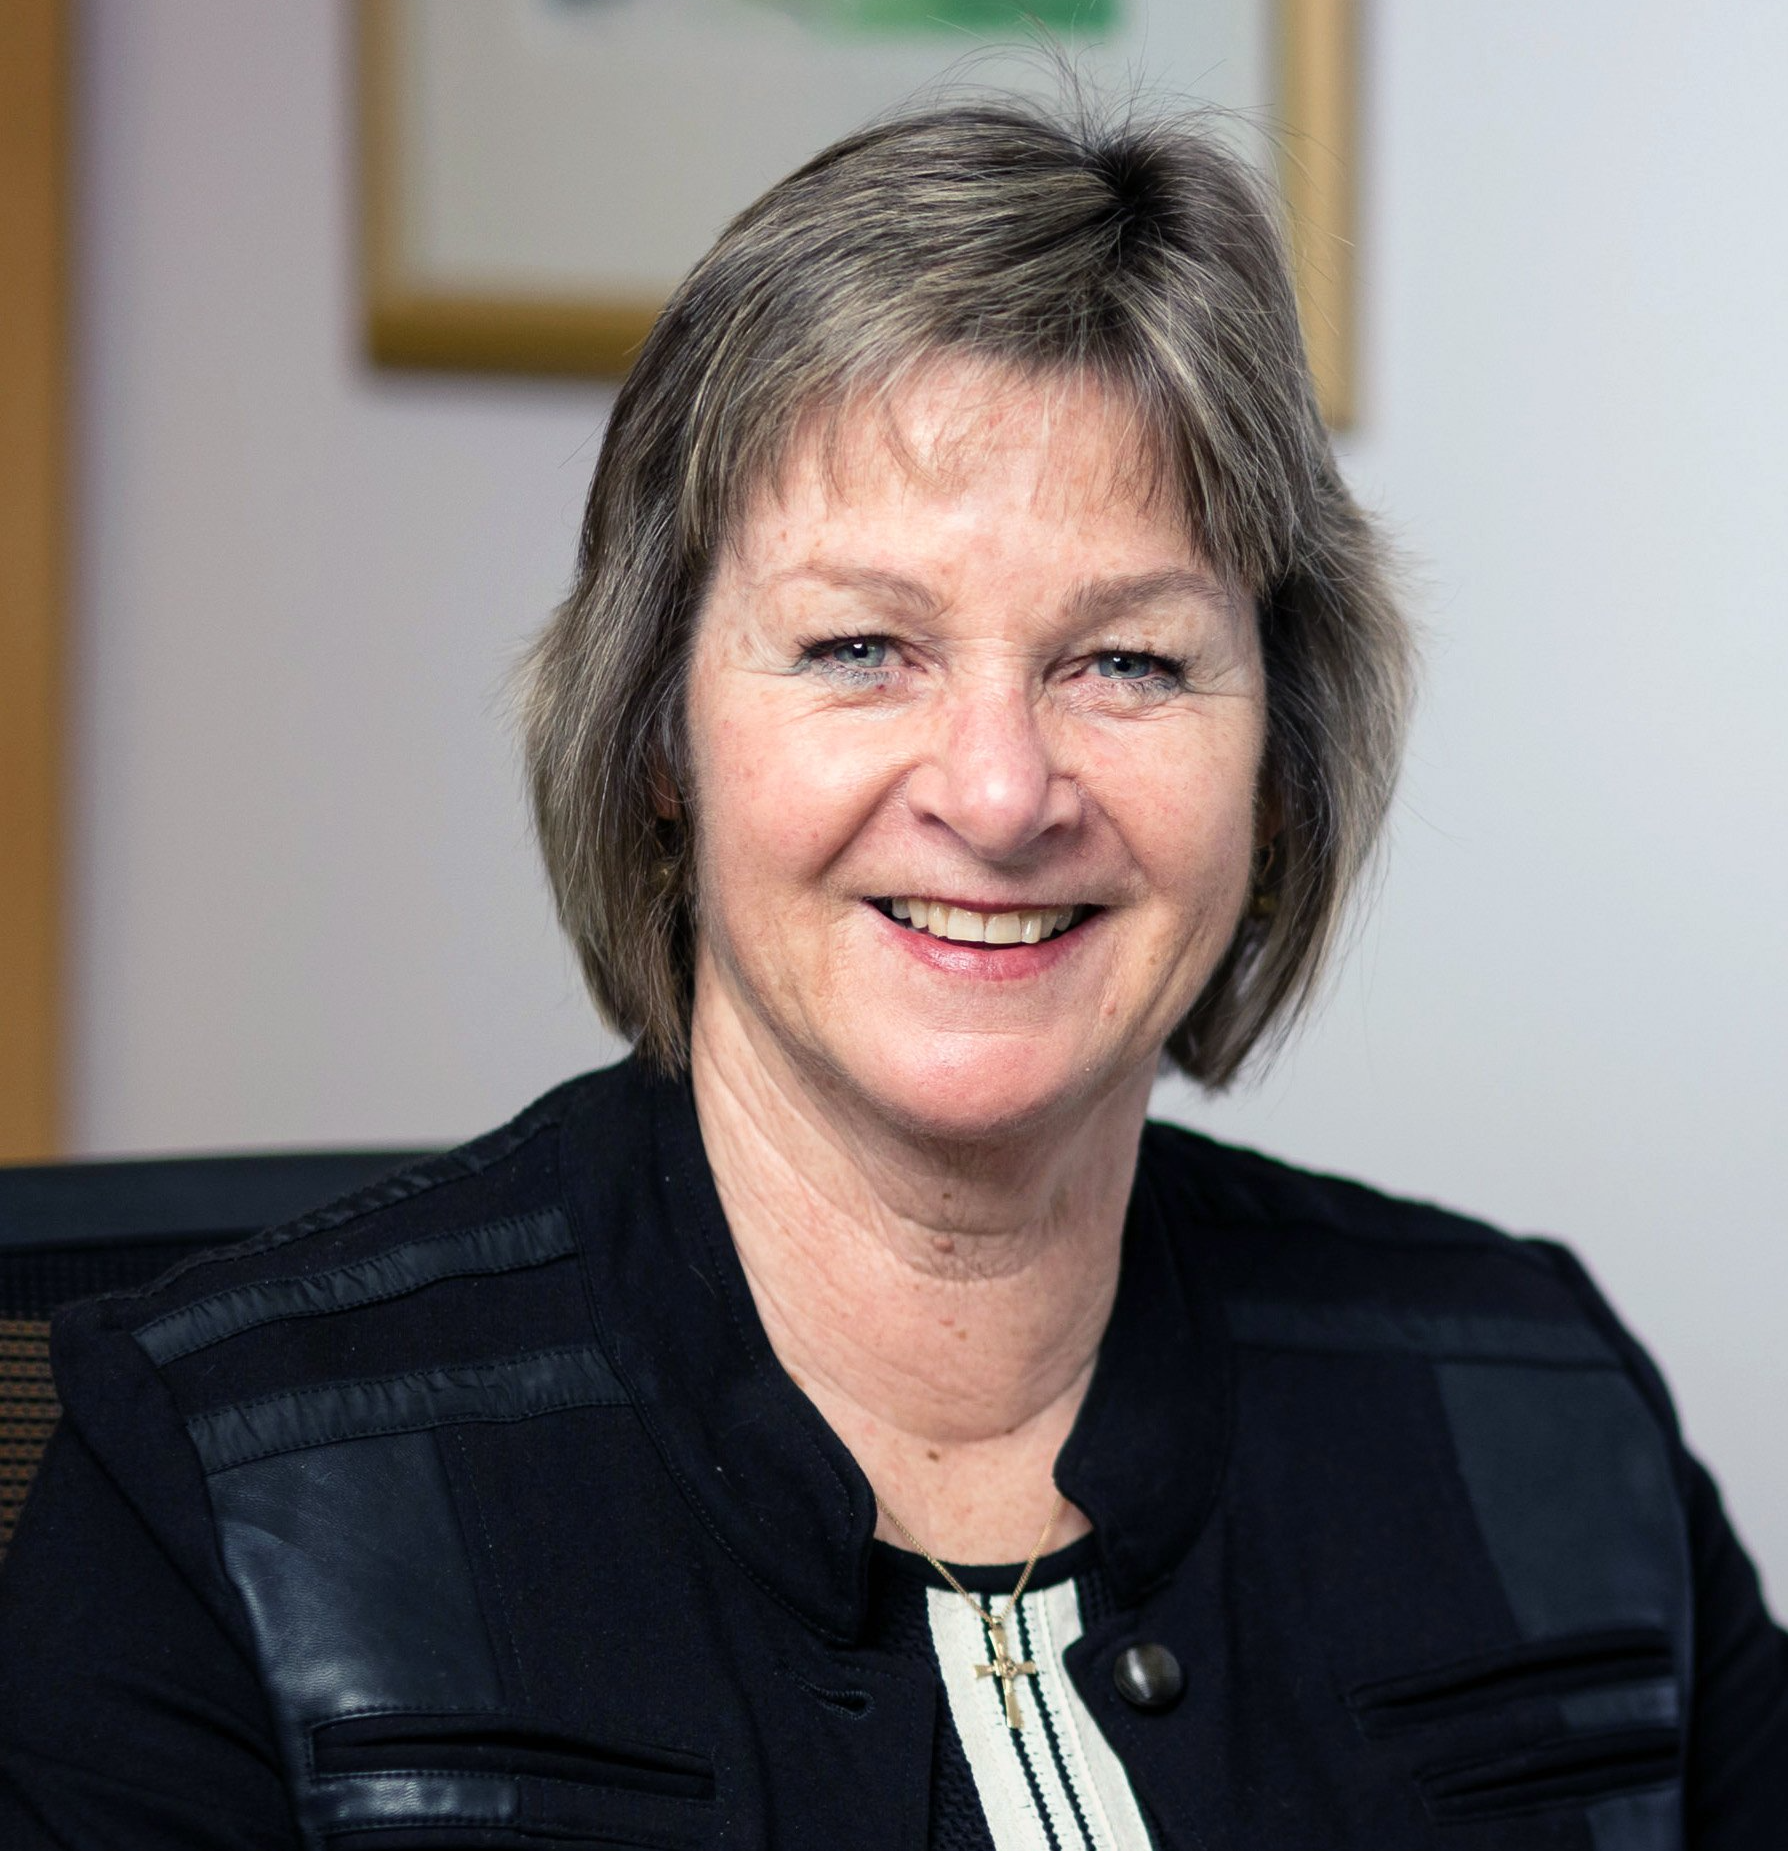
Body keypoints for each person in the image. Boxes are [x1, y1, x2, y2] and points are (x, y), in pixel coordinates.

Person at [1, 95, 1784, 1850]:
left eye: (1130, 663)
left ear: (1278, 762)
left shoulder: (1541, 1410)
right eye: (861, 647)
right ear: (660, 742)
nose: (1000, 792)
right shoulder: (217, 1482)